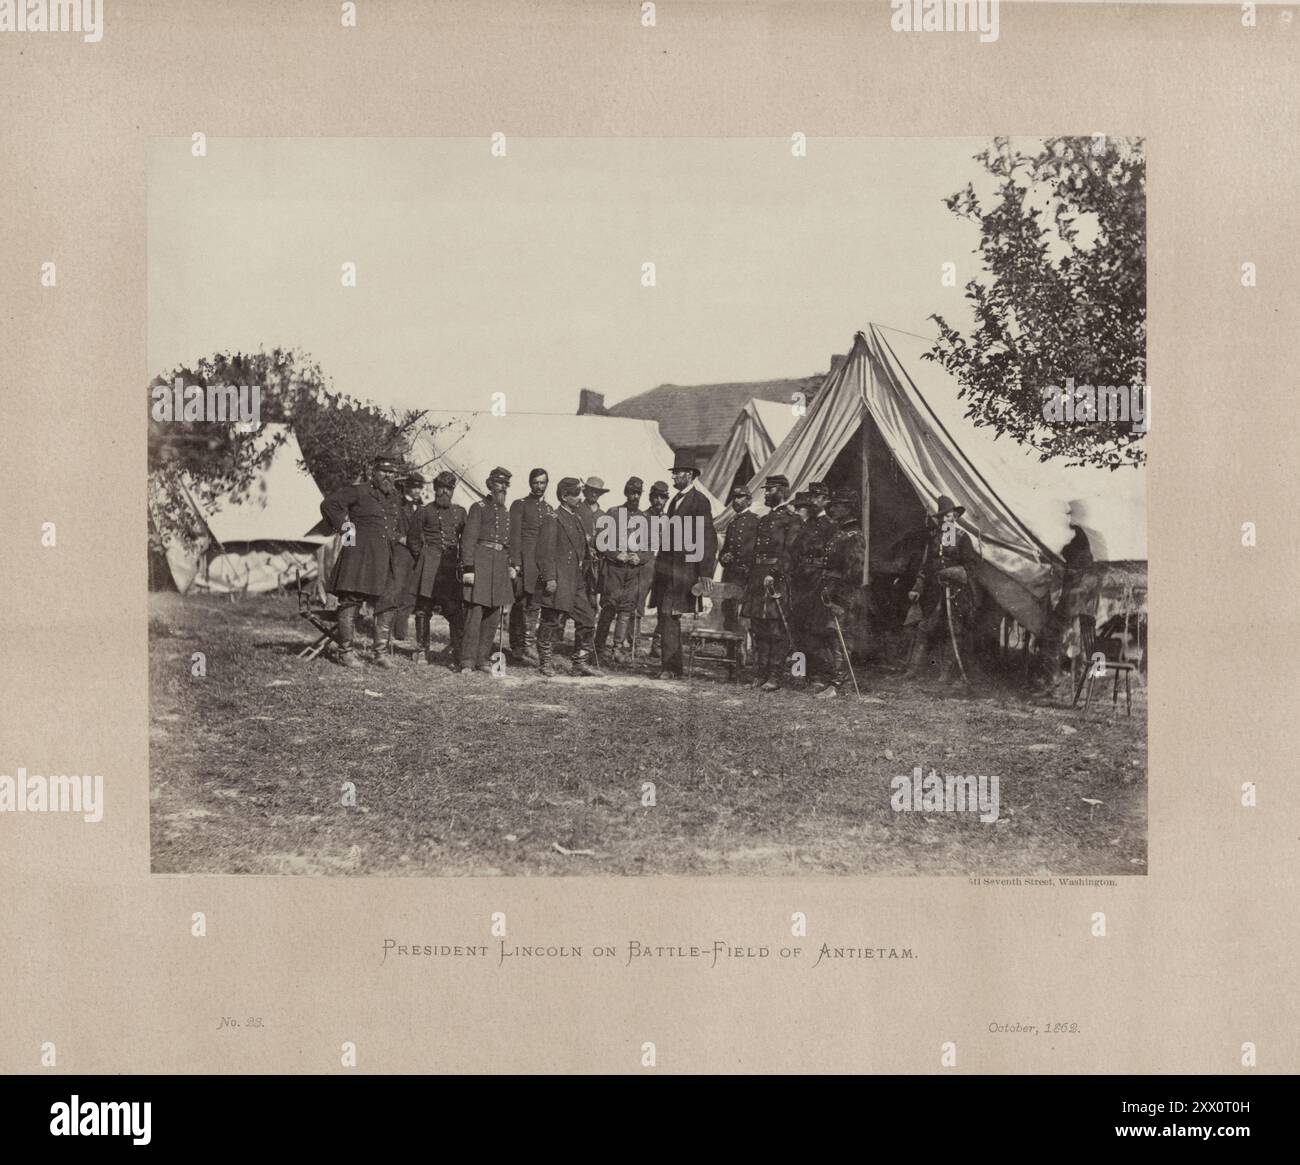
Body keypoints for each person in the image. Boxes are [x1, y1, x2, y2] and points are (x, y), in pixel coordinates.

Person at [318, 454, 406, 669]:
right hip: (360, 557)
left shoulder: (394, 496)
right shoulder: (359, 490)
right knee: (350, 602)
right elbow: (329, 504)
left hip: (385, 558)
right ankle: (345, 652)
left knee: (388, 602)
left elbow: (394, 527)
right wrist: (347, 532)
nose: (388, 476)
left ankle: (380, 654)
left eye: (392, 472)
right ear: (373, 472)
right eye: (384, 471)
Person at [650, 459, 718, 680]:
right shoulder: (674, 501)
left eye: (678, 473)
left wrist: (706, 572)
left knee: (670, 615)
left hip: (683, 570)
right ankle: (671, 666)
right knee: (666, 615)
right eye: (674, 473)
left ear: (689, 475)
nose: (674, 477)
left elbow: (708, 538)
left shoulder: (700, 501)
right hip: (667, 570)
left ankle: (670, 668)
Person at [906, 495, 981, 686]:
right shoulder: (933, 539)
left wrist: (952, 572)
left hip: (955, 592)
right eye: (945, 517)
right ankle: (913, 671)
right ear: (940, 519)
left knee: (952, 630)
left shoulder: (963, 539)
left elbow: (971, 568)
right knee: (924, 628)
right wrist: (917, 588)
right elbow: (925, 567)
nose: (948, 520)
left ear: (956, 518)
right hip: (934, 592)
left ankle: (946, 673)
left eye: (952, 517)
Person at [535, 477, 602, 678]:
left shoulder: (577, 518)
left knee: (588, 619)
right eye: (576, 494)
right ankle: (545, 663)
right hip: (558, 579)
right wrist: (549, 578)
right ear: (564, 496)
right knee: (550, 622)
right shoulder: (552, 518)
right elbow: (544, 552)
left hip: (576, 581)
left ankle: (579, 664)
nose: (581, 498)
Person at [739, 475, 801, 690]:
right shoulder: (764, 520)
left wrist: (775, 573)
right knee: (758, 627)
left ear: (783, 491)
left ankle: (775, 676)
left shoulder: (792, 520)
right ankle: (760, 673)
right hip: (758, 577)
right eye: (766, 490)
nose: (765, 493)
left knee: (776, 628)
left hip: (777, 579)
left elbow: (790, 552)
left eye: (770, 490)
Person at [406, 470, 466, 668]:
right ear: (434, 489)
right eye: (441, 488)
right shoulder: (424, 511)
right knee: (424, 609)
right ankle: (422, 650)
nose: (444, 492)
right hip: (429, 568)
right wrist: (424, 559)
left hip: (450, 569)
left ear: (453, 490)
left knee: (455, 611)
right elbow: (413, 540)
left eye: (449, 488)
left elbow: (465, 540)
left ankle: (459, 653)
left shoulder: (460, 512)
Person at [460, 467, 517, 675]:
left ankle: (482, 659)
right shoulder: (478, 507)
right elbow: (468, 540)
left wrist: (511, 564)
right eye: (499, 483)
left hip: (499, 566)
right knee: (475, 615)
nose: (502, 487)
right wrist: (469, 568)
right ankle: (467, 661)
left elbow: (509, 543)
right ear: (489, 484)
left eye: (505, 484)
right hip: (481, 563)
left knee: (493, 617)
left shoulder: (506, 512)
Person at [812, 490, 867, 698]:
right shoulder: (839, 532)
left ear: (848, 508)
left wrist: (841, 601)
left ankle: (838, 683)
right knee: (832, 636)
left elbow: (853, 573)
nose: (832, 508)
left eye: (837, 505)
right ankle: (835, 679)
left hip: (845, 594)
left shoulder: (854, 535)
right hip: (830, 590)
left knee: (841, 637)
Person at [595, 476, 648, 663]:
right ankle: (598, 647)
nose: (635, 496)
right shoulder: (613, 513)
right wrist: (615, 554)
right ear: (626, 492)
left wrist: (639, 557)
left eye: (638, 493)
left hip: (632, 573)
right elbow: (601, 541)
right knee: (609, 608)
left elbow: (649, 548)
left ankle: (617, 648)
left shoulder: (644, 518)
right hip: (614, 571)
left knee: (625, 612)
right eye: (632, 492)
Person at [789, 480, 837, 685]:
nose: (813, 500)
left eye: (817, 497)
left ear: (826, 501)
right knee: (797, 627)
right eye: (811, 497)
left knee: (815, 630)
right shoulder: (805, 525)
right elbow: (795, 551)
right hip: (800, 580)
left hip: (817, 581)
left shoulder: (831, 526)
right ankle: (798, 672)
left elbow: (833, 557)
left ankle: (817, 674)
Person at [507, 467, 551, 664]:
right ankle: (516, 646)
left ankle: (529, 644)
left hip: (540, 564)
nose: (539, 486)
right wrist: (515, 563)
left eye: (542, 483)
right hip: (524, 562)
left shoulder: (549, 509)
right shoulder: (520, 505)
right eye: (536, 482)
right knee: (519, 604)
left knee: (534, 605)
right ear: (530, 483)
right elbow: (514, 536)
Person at [390, 469, 426, 644]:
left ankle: (400, 631)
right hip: (401, 553)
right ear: (408, 487)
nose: (418, 491)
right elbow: (389, 528)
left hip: (416, 555)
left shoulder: (422, 507)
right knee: (395, 590)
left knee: (410, 594)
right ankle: (387, 630)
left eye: (420, 487)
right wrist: (400, 538)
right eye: (415, 487)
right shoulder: (397, 504)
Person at [717, 485, 758, 632]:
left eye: (740, 497)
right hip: (730, 575)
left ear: (749, 501)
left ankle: (742, 649)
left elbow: (758, 550)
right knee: (729, 610)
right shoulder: (732, 523)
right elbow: (725, 549)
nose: (736, 501)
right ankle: (730, 647)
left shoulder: (755, 522)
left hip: (745, 575)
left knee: (744, 614)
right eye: (734, 498)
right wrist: (723, 557)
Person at [641, 481, 670, 661]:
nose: (659, 501)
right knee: (637, 604)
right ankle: (630, 643)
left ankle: (657, 645)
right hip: (645, 566)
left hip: (663, 569)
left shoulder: (670, 519)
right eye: (656, 497)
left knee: (663, 607)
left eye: (662, 497)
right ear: (651, 498)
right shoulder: (642, 517)